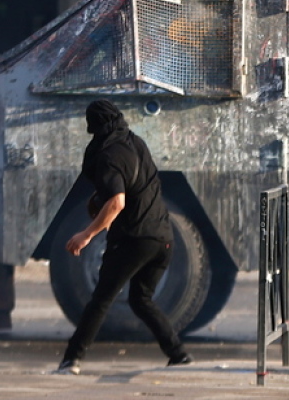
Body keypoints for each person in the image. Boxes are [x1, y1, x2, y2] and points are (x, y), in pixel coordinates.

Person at [54, 99, 192, 375]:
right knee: (141, 299)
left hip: (134, 239)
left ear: (93, 125)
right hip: (163, 236)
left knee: (101, 299)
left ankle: (72, 360)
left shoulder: (108, 155)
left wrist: (86, 234)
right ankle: (178, 355)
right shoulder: (135, 142)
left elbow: (117, 202)